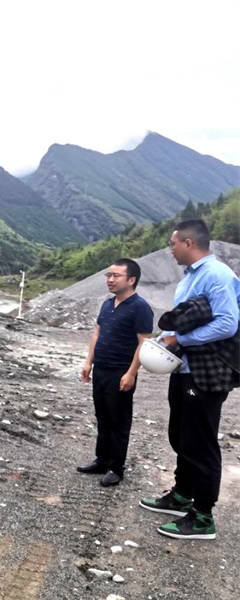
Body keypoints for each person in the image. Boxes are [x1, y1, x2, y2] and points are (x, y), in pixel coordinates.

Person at [140, 219, 240, 540]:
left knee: (201, 442)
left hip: (207, 370)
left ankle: (203, 516)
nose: (169, 249)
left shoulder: (217, 274)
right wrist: (165, 339)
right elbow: (185, 321)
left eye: (172, 244)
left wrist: (179, 340)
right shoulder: (191, 277)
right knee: (181, 436)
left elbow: (227, 323)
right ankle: (182, 494)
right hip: (184, 368)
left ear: (188, 243)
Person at [78, 258, 154, 486]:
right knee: (102, 417)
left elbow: (143, 343)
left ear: (131, 280)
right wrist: (88, 362)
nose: (110, 280)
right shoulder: (107, 304)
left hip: (121, 371)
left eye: (116, 276)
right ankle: (102, 460)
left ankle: (116, 467)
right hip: (101, 368)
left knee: (118, 420)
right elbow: (97, 333)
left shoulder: (140, 307)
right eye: (108, 275)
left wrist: (131, 373)